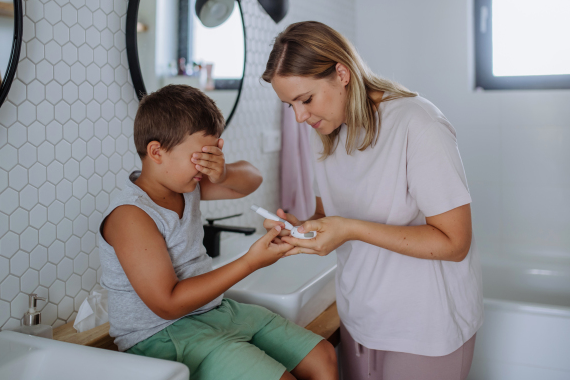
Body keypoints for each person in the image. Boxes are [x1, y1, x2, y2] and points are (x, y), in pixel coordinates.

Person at [261, 21, 483, 380]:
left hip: (424, 329)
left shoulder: (417, 123)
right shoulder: (325, 131)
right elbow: (326, 214)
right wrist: (299, 228)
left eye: (306, 100)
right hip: (360, 318)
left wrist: (349, 229)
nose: (300, 117)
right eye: (290, 106)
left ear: (342, 74)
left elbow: (455, 242)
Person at [99, 84, 338, 380]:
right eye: (201, 156)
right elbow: (168, 304)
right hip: (161, 336)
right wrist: (251, 261)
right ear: (156, 151)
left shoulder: (185, 185)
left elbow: (253, 179)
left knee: (324, 357)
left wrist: (222, 173)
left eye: (213, 154)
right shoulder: (131, 215)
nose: (206, 165)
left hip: (213, 312)